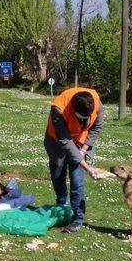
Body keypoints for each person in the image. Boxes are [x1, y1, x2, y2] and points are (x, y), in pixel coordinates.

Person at [44, 87, 105, 233]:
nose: (83, 121)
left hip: (81, 142)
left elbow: (96, 127)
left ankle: (77, 219)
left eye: (86, 118)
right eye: (80, 118)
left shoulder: (96, 102)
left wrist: (83, 150)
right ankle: (62, 206)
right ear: (72, 109)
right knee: (58, 175)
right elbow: (65, 141)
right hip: (57, 141)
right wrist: (88, 167)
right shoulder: (58, 108)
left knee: (77, 181)